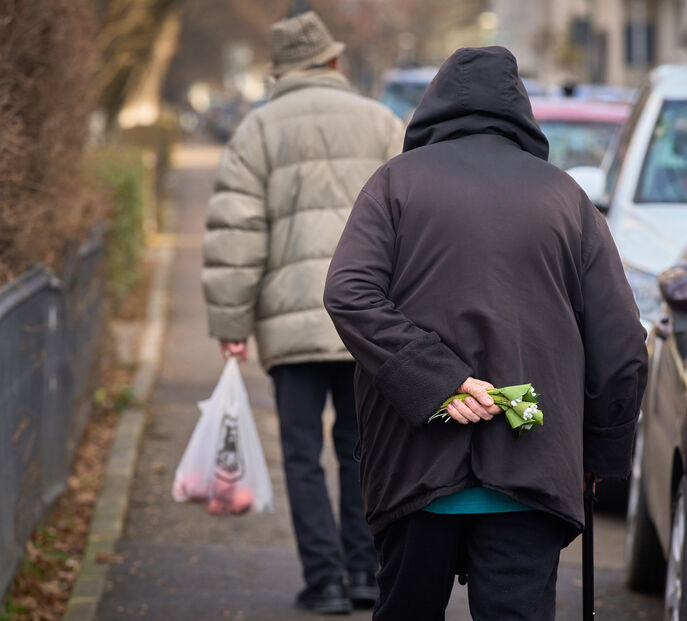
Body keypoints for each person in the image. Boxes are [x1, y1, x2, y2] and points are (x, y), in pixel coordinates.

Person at [323, 46, 648, 621]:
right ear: (521, 110)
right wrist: (599, 454)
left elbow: (349, 293)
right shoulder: (565, 197)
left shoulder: (395, 184)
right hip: (533, 462)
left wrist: (439, 382)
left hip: (412, 465)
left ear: (433, 105)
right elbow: (622, 343)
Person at [201, 11, 404, 615]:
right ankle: (365, 570)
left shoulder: (256, 130)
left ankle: (324, 580)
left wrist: (232, 325)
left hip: (289, 327)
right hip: (366, 323)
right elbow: (411, 221)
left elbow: (237, 232)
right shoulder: (381, 122)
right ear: (333, 60)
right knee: (361, 447)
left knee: (301, 454)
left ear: (280, 71)